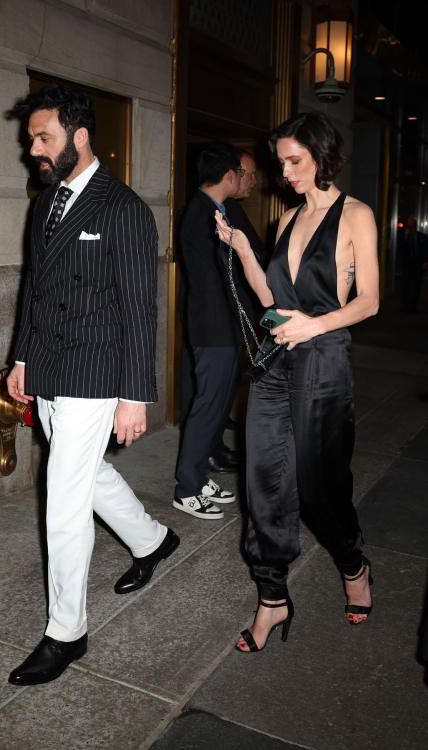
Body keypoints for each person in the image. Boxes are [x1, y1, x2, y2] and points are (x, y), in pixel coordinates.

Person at [6, 85, 179, 685]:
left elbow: (140, 308)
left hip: (96, 374)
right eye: (32, 139)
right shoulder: (46, 202)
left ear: (80, 137)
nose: (33, 149)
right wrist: (22, 357)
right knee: (85, 474)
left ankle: (66, 633)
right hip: (50, 368)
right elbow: (34, 286)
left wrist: (136, 396)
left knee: (64, 500)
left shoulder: (123, 208)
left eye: (43, 137)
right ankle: (152, 540)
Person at [215, 111, 379, 652]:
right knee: (263, 484)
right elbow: (272, 301)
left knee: (318, 488)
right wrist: (242, 247)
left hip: (325, 360)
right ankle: (272, 597)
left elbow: (370, 301)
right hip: (276, 359)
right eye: (280, 162)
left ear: (322, 154)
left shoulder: (355, 215)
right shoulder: (285, 220)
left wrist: (316, 323)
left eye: (295, 161)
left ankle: (353, 562)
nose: (285, 172)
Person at [174, 142, 252, 519]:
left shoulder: (220, 209)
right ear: (228, 175)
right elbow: (224, 273)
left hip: (226, 324)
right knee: (208, 406)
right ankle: (187, 487)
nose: (243, 179)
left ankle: (198, 475)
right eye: (240, 172)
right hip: (213, 325)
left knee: (219, 404)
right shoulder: (200, 215)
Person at [398, 218, 428, 313]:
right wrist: (406, 237)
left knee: (416, 286)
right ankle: (406, 306)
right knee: (407, 286)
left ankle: (413, 306)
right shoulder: (404, 237)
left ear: (415, 226)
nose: (410, 228)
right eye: (408, 226)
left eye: (412, 226)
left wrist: (426, 262)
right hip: (407, 265)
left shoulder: (422, 237)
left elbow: (426, 250)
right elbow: (400, 250)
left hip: (418, 265)